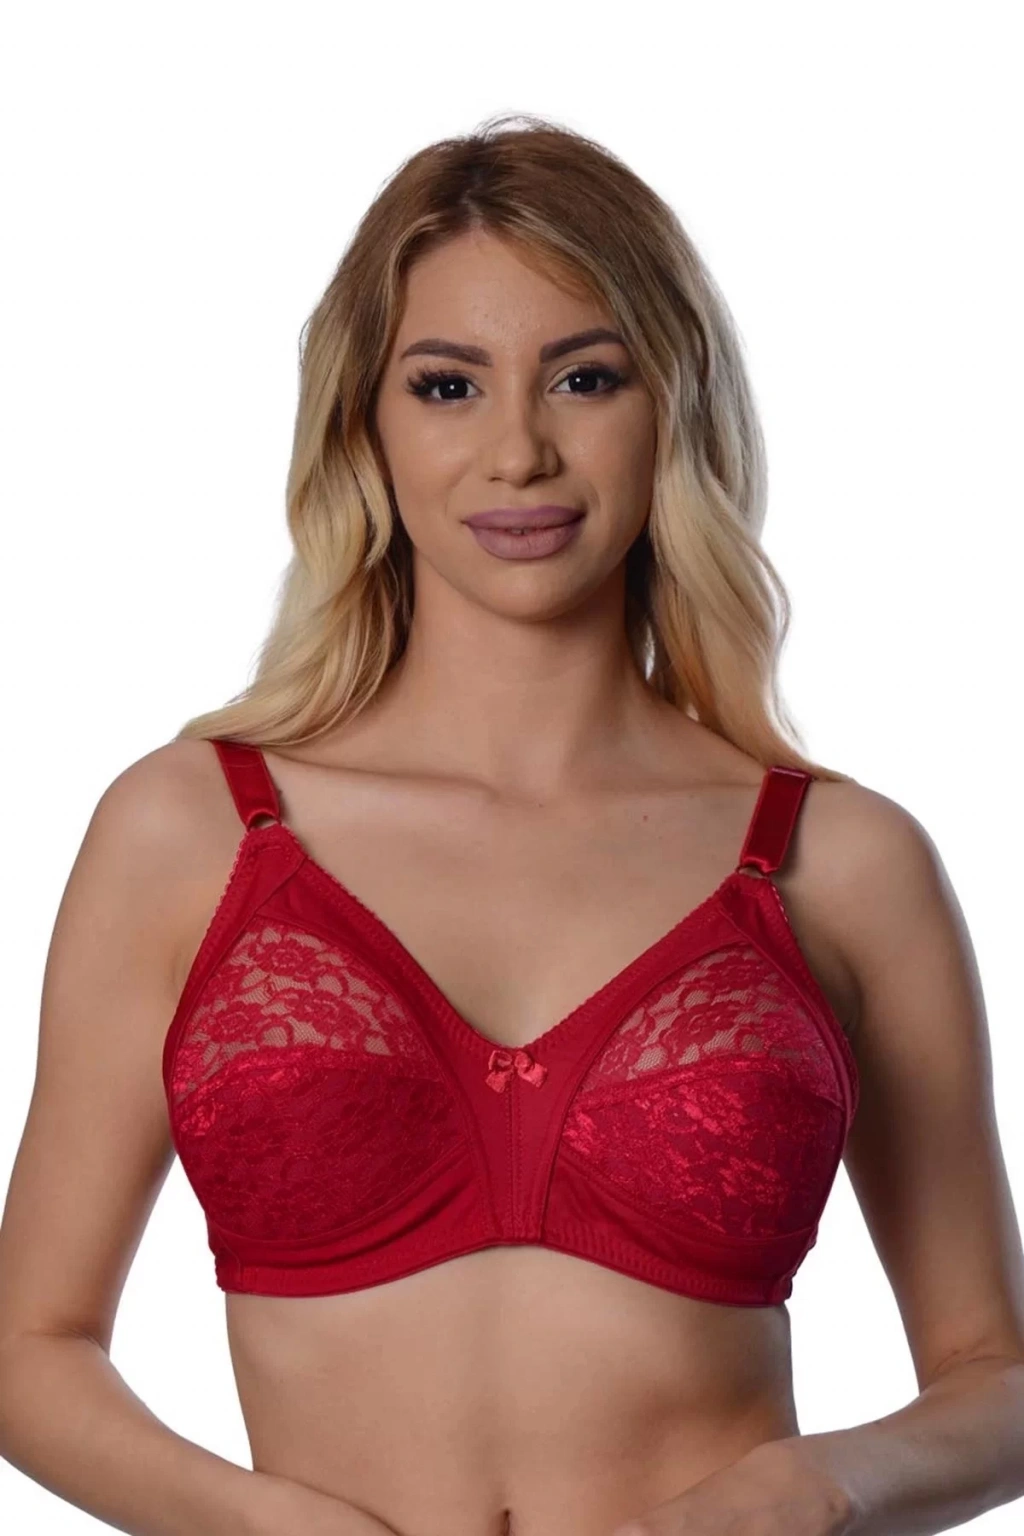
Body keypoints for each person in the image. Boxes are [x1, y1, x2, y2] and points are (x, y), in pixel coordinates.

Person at [1, 111, 1022, 1536]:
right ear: (365, 423)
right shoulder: (191, 832)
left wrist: (819, 1484)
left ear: (674, 407)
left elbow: (996, 1378)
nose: (521, 452)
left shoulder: (841, 862)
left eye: (585, 378)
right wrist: (260, 1528)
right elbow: (31, 1345)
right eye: (448, 386)